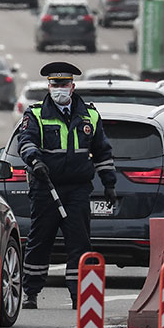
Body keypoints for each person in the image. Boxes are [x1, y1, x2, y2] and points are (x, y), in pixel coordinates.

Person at [19, 62, 117, 310]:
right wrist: (35, 161)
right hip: (46, 187)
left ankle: (78, 295)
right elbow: (26, 141)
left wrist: (109, 184)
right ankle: (30, 292)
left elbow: (102, 152)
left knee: (79, 242)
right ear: (48, 86)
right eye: (55, 85)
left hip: (77, 190)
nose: (59, 89)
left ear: (72, 87)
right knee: (40, 240)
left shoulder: (90, 115)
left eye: (64, 84)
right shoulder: (36, 114)